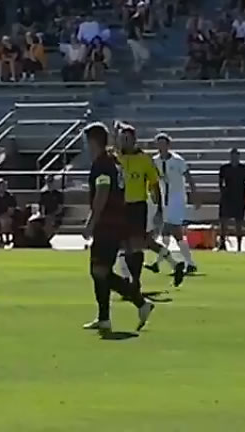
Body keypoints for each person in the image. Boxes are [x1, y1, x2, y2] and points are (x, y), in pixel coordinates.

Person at [82, 122, 154, 335]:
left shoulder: (103, 164)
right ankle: (104, 318)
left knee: (99, 270)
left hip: (108, 224)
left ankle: (140, 302)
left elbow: (103, 192)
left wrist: (91, 221)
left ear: (93, 141)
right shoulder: (113, 161)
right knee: (99, 271)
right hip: (116, 222)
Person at [114, 124, 183, 288]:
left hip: (138, 206)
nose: (124, 142)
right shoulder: (116, 158)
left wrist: (159, 209)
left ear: (134, 140)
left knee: (137, 243)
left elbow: (154, 184)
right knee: (131, 242)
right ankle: (173, 264)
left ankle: (131, 279)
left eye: (127, 139)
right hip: (120, 206)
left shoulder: (144, 160)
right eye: (122, 139)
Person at [149, 133, 198, 275]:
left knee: (173, 230)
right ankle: (187, 263)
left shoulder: (177, 160)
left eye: (163, 144)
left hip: (177, 200)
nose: (160, 147)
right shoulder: (155, 161)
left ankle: (186, 263)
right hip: (165, 199)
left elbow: (189, 177)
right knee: (166, 233)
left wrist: (195, 194)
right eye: (158, 144)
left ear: (168, 145)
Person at [217, 149, 245, 252]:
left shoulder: (243, 169)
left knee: (239, 224)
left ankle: (239, 246)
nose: (234, 158)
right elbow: (220, 181)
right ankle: (222, 243)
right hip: (227, 197)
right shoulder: (225, 168)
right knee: (224, 221)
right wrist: (222, 191)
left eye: (236, 156)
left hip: (239, 198)